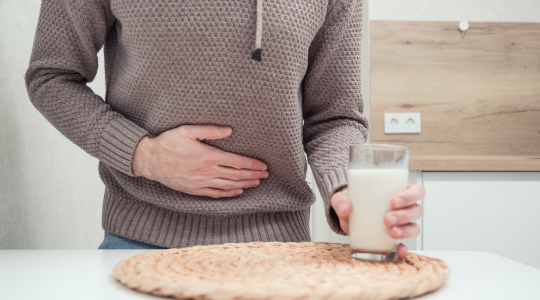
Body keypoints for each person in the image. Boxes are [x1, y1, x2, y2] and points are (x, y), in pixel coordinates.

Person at [24, 0, 423, 256]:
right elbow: (51, 76)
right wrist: (143, 154)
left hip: (280, 255)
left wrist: (345, 189)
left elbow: (334, 116)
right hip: (137, 244)